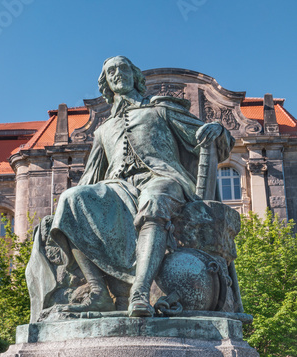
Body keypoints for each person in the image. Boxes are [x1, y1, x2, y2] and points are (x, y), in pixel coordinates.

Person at [49, 56, 234, 317]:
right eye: (110, 72)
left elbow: (206, 135)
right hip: (118, 186)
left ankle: (140, 291)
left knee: (154, 199)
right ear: (106, 84)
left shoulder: (160, 109)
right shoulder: (103, 130)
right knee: (70, 199)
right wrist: (66, 213)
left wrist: (217, 129)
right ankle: (98, 292)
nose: (117, 74)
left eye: (123, 68)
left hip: (162, 178)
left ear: (135, 76)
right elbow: (90, 176)